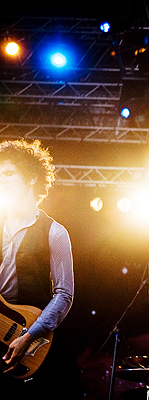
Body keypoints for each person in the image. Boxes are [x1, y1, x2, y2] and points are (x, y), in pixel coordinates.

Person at [0, 139, 74, 392]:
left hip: (27, 338)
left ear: (32, 177)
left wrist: (28, 336)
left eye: (9, 173)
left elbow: (64, 295)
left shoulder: (55, 232)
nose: (2, 179)